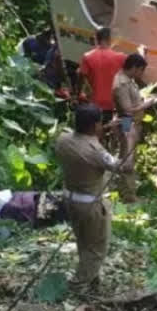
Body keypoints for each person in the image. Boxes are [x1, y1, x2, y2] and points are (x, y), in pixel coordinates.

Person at [55, 104, 121, 291]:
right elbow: (124, 166)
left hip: (71, 200)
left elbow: (83, 138)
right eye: (101, 123)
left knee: (84, 242)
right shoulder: (96, 152)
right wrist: (126, 137)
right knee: (97, 248)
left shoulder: (63, 139)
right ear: (94, 126)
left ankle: (92, 283)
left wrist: (107, 127)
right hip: (90, 206)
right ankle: (78, 286)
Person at [112, 53, 157, 202]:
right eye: (141, 71)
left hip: (130, 122)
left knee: (128, 157)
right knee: (127, 159)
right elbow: (127, 110)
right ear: (134, 68)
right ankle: (128, 196)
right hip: (127, 122)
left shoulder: (128, 80)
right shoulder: (121, 83)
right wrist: (147, 104)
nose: (141, 75)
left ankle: (126, 191)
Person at [78, 27, 126, 125]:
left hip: (95, 105)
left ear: (96, 39)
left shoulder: (87, 56)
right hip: (116, 105)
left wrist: (78, 93)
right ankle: (124, 135)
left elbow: (80, 76)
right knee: (122, 127)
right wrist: (143, 53)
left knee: (97, 132)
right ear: (109, 39)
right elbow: (135, 65)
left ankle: (101, 139)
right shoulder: (120, 57)